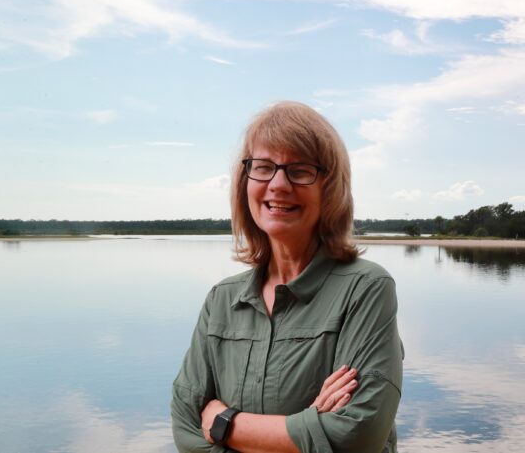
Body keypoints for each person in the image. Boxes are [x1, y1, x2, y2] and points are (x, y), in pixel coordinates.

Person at [171, 101, 404, 453]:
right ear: (244, 182)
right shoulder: (222, 299)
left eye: (299, 170)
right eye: (263, 167)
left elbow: (358, 436)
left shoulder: (366, 289)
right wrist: (310, 424)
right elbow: (186, 431)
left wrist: (223, 423)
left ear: (329, 187)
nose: (278, 185)